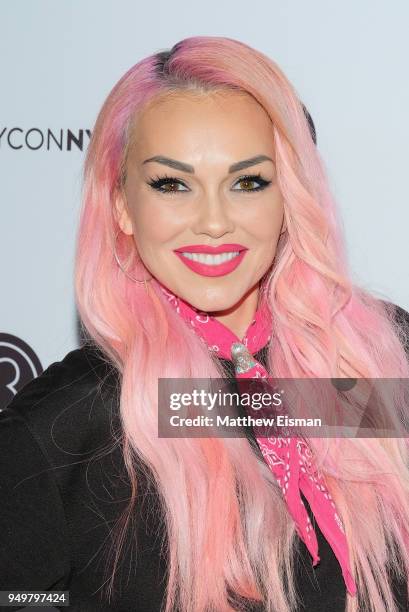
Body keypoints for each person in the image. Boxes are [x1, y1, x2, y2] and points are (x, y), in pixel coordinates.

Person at [1, 35, 409, 612]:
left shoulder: (384, 359)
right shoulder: (65, 427)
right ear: (122, 204)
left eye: (248, 182)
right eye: (172, 184)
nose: (214, 221)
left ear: (289, 195)